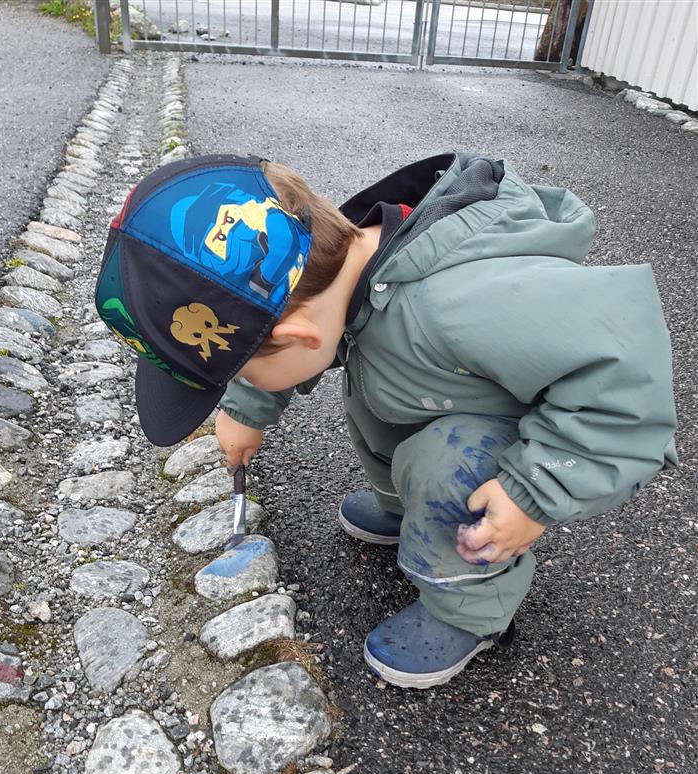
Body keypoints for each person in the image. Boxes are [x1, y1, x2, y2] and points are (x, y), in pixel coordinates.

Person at [95, 152, 678, 690]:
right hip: (447, 392)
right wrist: (250, 408)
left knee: (446, 460)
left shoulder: (460, 305)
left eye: (239, 375)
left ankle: (469, 609)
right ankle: (410, 511)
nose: (240, 386)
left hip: (527, 439)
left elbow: (626, 378)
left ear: (296, 336)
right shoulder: (343, 267)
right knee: (381, 395)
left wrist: (534, 492)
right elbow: (286, 332)